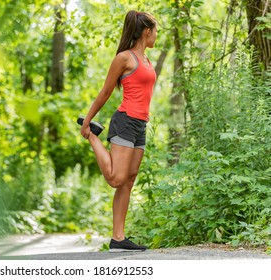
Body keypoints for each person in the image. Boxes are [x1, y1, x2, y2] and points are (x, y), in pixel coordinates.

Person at [77, 10, 157, 252]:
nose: (156, 36)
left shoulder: (147, 60)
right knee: (115, 178)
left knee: (128, 181)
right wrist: (87, 121)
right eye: (155, 31)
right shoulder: (124, 58)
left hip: (140, 125)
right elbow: (105, 91)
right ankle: (93, 135)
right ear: (146, 31)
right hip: (124, 120)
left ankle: (118, 239)